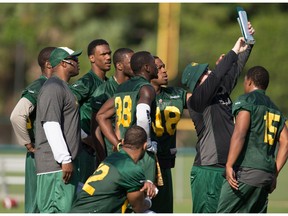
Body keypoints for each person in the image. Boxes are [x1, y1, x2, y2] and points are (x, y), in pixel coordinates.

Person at [181, 22, 255, 213]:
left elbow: (234, 69)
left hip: (227, 167)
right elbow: (217, 77)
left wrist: (247, 43)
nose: (209, 72)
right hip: (208, 168)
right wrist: (232, 52)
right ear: (197, 83)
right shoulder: (197, 100)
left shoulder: (219, 94)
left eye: (208, 70)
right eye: (204, 73)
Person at [217, 66, 288, 213]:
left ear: (249, 82)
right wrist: (274, 174)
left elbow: (240, 133)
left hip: (246, 171)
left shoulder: (247, 100)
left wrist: (229, 164)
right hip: (266, 175)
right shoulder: (275, 108)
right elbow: (286, 142)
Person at [96, 51, 158, 184]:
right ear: (147, 67)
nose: (157, 67)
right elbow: (142, 113)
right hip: (139, 152)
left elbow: (101, 115)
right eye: (154, 64)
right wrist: (145, 142)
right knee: (144, 198)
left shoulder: (121, 88)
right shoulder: (146, 88)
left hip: (123, 152)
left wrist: (117, 143)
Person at [34, 47, 82, 213]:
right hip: (56, 167)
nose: (77, 62)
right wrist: (64, 159)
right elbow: (51, 124)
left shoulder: (63, 87)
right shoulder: (53, 87)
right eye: (74, 59)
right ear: (63, 63)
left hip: (62, 166)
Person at [70, 125, 158, 213]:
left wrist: (141, 183)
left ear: (123, 142)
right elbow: (138, 208)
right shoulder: (132, 169)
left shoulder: (112, 157)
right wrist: (148, 201)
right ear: (145, 146)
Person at [10, 46, 56, 213]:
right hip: (39, 153)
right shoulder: (39, 86)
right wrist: (29, 145)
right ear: (49, 64)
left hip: (50, 154)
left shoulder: (55, 85)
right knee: (36, 206)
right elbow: (16, 115)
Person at [149, 56, 191, 213]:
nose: (164, 70)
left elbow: (200, 99)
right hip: (142, 164)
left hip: (164, 163)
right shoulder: (136, 94)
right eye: (159, 68)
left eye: (164, 66)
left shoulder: (175, 94)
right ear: (148, 70)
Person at [70, 39, 112, 183]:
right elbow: (64, 105)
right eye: (103, 54)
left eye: (109, 53)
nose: (108, 57)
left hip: (103, 150)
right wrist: (83, 136)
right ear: (92, 58)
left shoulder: (109, 84)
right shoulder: (86, 82)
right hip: (86, 151)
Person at [90, 47, 134, 165]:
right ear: (119, 66)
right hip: (113, 154)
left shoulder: (136, 86)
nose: (135, 65)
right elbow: (96, 129)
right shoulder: (104, 91)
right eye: (131, 62)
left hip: (134, 153)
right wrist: (103, 159)